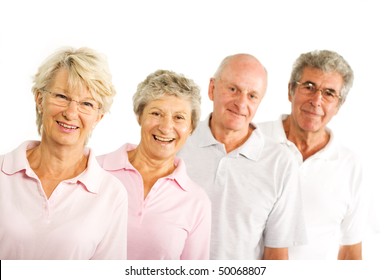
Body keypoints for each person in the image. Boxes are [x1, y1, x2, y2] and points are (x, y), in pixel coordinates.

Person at [0, 47, 128, 259]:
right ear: (40, 99)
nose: (70, 113)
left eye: (86, 103)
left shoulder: (111, 193)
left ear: (99, 116)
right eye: (62, 96)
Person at [178, 54, 307, 260]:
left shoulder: (280, 163)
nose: (241, 103)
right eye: (233, 89)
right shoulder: (176, 144)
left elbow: (276, 255)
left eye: (252, 96)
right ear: (212, 88)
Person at [258, 50, 366, 259]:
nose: (316, 100)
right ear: (290, 90)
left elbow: (351, 250)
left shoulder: (350, 165)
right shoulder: (253, 140)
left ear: (338, 105)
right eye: (309, 87)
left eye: (329, 93)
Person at [97, 69, 211, 260]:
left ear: (191, 127)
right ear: (139, 115)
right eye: (156, 113)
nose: (166, 127)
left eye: (179, 117)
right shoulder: (95, 170)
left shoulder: (197, 201)